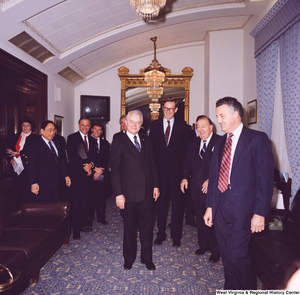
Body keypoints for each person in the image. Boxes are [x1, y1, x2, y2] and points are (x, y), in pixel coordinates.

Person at [203, 97, 274, 290]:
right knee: (227, 256)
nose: (218, 120)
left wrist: (260, 214)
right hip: (220, 208)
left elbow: (265, 180)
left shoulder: (257, 139)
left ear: (236, 114)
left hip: (243, 210)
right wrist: (210, 206)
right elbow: (214, 175)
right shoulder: (219, 142)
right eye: (217, 116)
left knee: (238, 256)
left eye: (222, 116)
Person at [111, 110, 159, 270]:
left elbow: (153, 165)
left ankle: (147, 258)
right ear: (126, 122)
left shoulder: (147, 139)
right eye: (132, 122)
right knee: (129, 228)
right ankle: (129, 258)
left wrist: (156, 185)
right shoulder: (119, 140)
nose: (135, 125)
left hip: (146, 193)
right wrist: (118, 194)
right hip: (128, 194)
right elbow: (115, 170)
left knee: (147, 227)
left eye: (138, 123)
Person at [149, 99, 190, 247]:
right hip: (159, 174)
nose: (168, 111)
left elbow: (186, 153)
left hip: (177, 174)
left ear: (176, 110)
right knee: (160, 205)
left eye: (171, 109)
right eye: (166, 108)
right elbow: (151, 151)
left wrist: (185, 175)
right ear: (161, 109)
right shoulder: (154, 125)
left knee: (178, 206)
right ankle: (161, 234)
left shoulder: (183, 126)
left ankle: (176, 235)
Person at [181, 115, 221, 262]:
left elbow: (224, 167)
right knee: (200, 218)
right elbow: (188, 162)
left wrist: (211, 179)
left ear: (211, 126)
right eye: (198, 126)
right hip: (196, 189)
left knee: (213, 221)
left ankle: (216, 251)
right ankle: (203, 245)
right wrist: (185, 177)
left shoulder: (220, 141)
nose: (200, 129)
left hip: (213, 191)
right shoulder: (195, 142)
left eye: (203, 126)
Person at [67, 117, 97, 240]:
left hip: (89, 176)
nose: (85, 127)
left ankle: (83, 224)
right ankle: (76, 229)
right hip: (77, 175)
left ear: (90, 126)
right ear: (79, 125)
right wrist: (84, 167)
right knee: (76, 203)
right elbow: (72, 156)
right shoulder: (72, 138)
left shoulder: (93, 140)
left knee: (86, 202)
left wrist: (92, 166)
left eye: (87, 125)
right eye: (82, 125)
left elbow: (95, 156)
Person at [28, 120, 71, 201]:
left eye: (54, 129)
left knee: (56, 208)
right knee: (45, 210)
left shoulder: (57, 143)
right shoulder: (35, 145)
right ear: (42, 131)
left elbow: (62, 161)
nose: (52, 132)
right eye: (49, 130)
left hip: (57, 184)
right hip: (43, 184)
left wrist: (66, 175)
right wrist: (34, 183)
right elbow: (32, 166)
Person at [5, 116, 39, 202]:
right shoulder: (15, 138)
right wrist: (10, 160)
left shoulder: (36, 138)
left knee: (27, 193)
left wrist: (18, 153)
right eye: (23, 125)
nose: (25, 127)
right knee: (16, 193)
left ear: (31, 127)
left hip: (27, 169)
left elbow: (32, 152)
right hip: (16, 168)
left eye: (28, 125)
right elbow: (7, 151)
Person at [86, 122, 110, 227]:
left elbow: (107, 158)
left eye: (99, 130)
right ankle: (89, 220)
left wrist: (100, 171)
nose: (97, 131)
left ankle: (101, 218)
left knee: (101, 196)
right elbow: (87, 158)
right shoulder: (87, 141)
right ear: (91, 129)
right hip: (89, 173)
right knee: (90, 197)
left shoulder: (105, 143)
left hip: (101, 173)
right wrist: (95, 169)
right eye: (95, 129)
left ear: (102, 131)